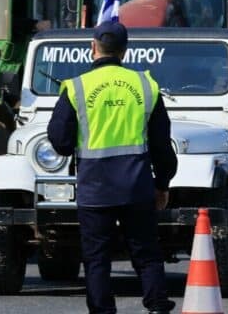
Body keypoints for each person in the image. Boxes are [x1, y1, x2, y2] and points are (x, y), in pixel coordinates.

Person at [47, 20, 178, 314]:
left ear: (92, 48)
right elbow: (161, 144)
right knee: (146, 254)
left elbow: (60, 140)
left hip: (95, 190)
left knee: (97, 259)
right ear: (125, 52)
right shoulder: (145, 85)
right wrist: (163, 183)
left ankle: (103, 311)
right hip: (137, 187)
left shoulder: (76, 87)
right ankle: (157, 306)